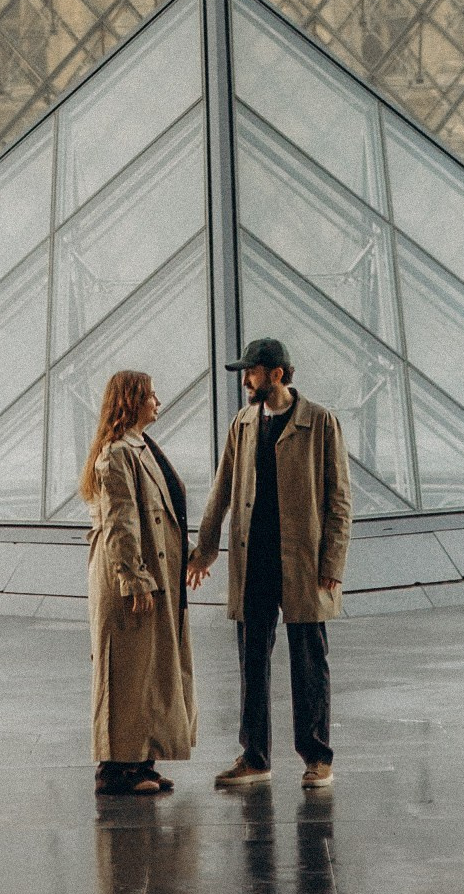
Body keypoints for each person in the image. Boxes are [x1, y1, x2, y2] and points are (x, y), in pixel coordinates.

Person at [188, 336, 352, 790]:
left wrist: (333, 562)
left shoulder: (319, 421)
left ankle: (318, 758)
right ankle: (254, 756)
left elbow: (339, 497)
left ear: (277, 373)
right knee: (252, 662)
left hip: (303, 561)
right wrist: (205, 550)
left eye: (252, 371)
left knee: (309, 661)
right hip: (253, 559)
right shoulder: (242, 423)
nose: (245, 380)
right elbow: (221, 490)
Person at [82, 369, 198, 798]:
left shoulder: (140, 447)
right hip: (130, 581)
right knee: (125, 672)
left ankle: (140, 760)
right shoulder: (116, 454)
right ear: (131, 401)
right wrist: (134, 578)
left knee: (145, 671)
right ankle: (115, 770)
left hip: (153, 578)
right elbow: (121, 523)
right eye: (150, 395)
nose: (158, 401)